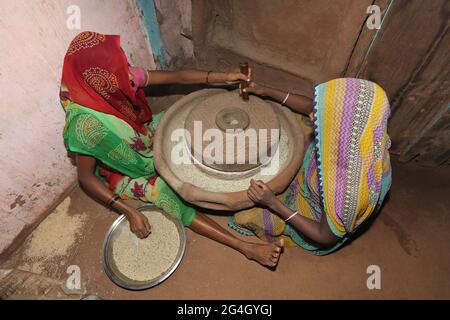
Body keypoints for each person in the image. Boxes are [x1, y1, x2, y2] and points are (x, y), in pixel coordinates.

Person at [60, 31, 283, 267]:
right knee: (169, 196)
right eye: (119, 69)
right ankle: (244, 246)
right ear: (99, 80)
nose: (128, 71)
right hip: (125, 171)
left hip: (143, 133)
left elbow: (177, 76)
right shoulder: (85, 126)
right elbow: (85, 177)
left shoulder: (118, 78)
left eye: (123, 62)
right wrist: (127, 210)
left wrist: (223, 76)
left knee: (189, 116)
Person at [230, 78, 392, 255]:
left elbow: (324, 236)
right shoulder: (367, 131)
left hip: (314, 216)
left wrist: (273, 203)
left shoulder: (348, 194)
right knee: (289, 117)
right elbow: (311, 107)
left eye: (322, 116)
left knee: (245, 216)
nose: (312, 115)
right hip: (327, 173)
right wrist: (265, 90)